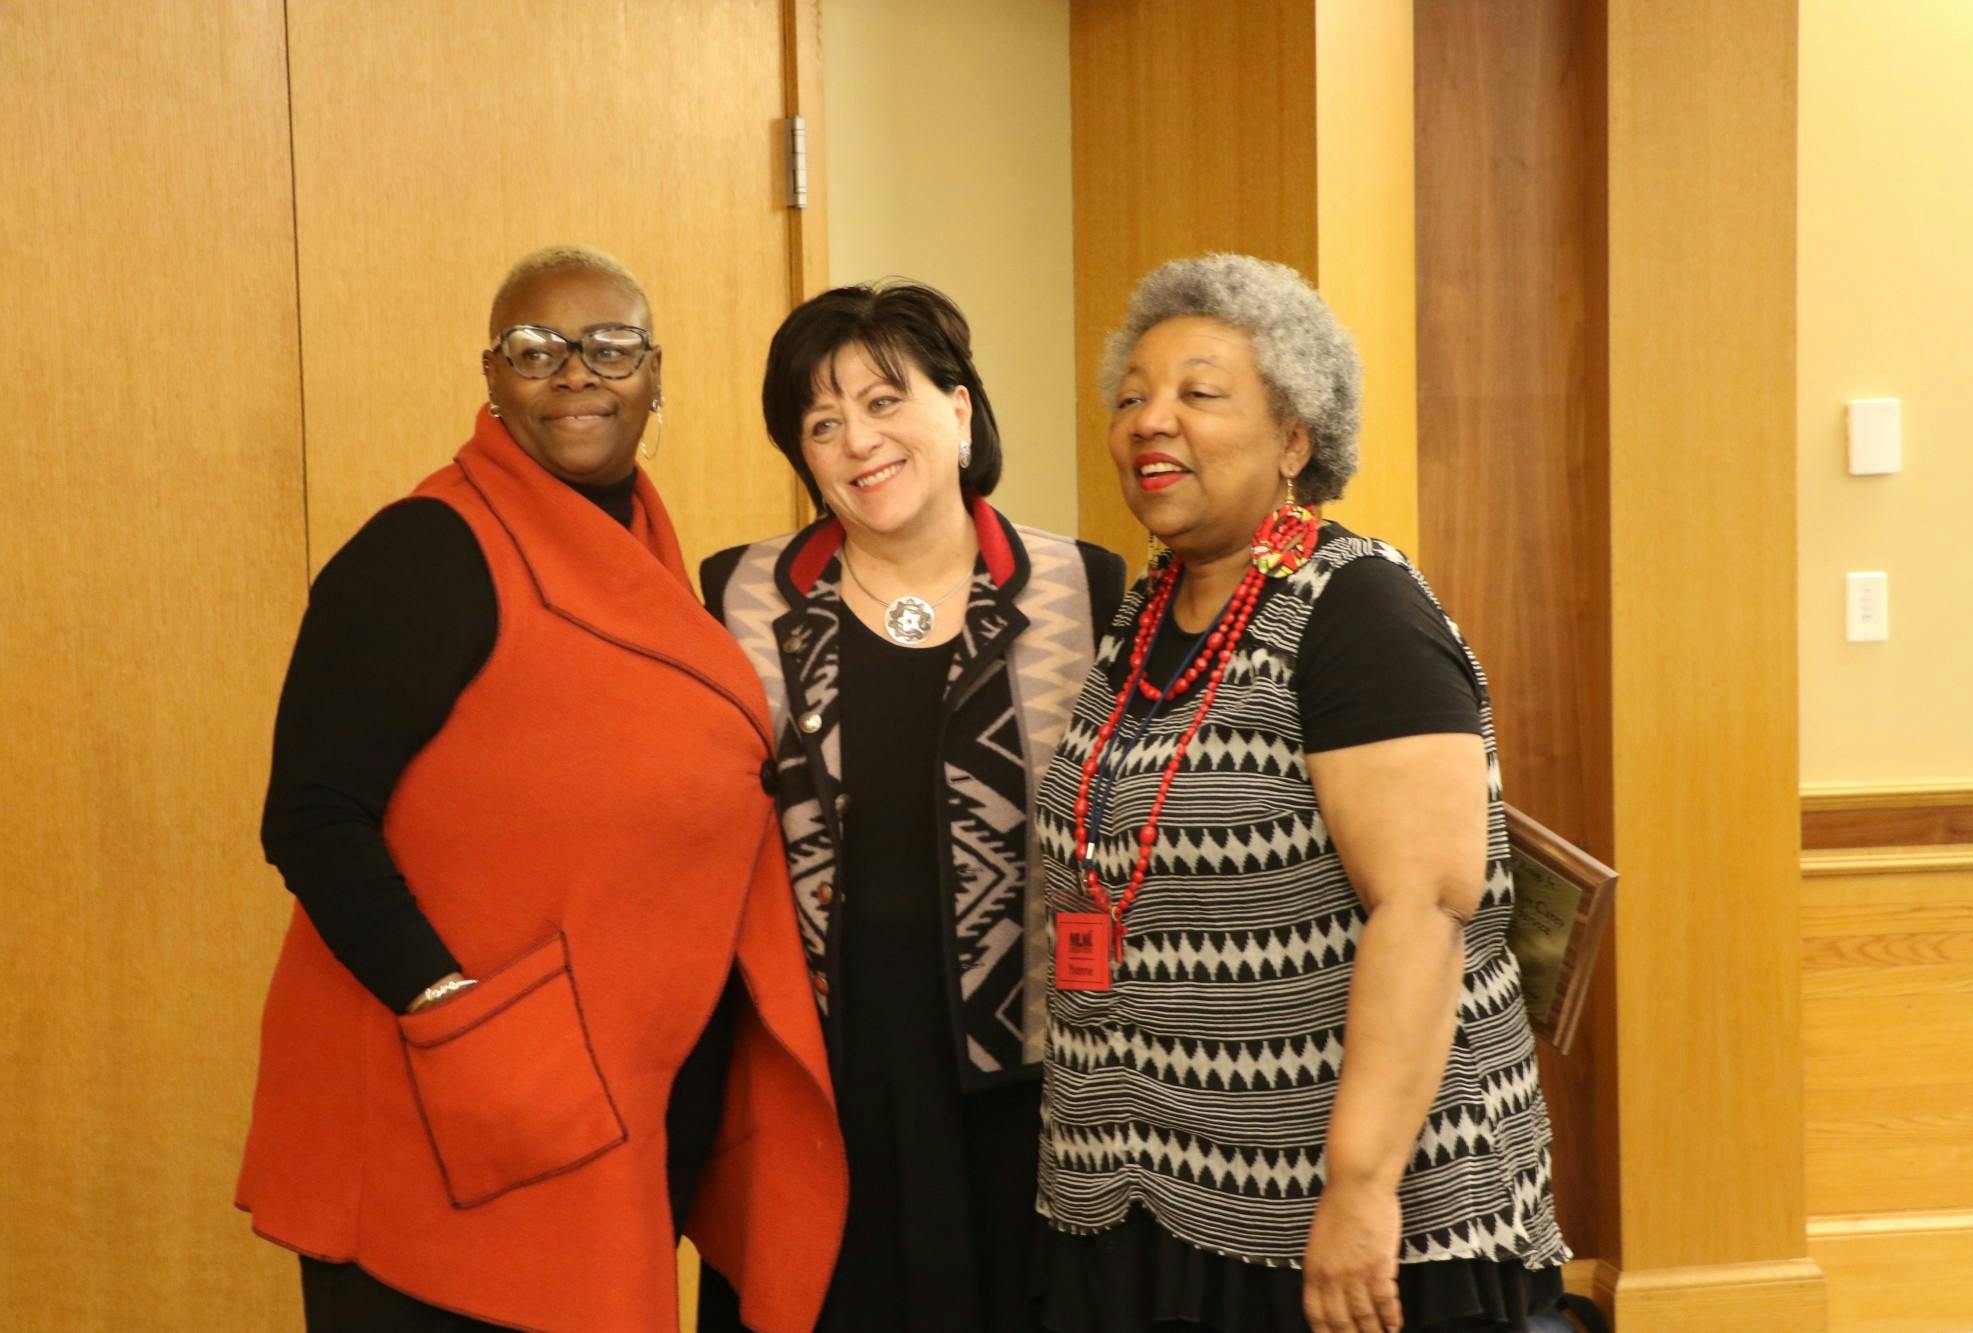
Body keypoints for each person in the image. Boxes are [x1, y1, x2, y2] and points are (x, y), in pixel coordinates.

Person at [237, 245, 845, 1332]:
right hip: (460, 1103)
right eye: (535, 349)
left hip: (607, 1109)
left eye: (610, 347)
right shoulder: (426, 550)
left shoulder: (647, 553)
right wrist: (447, 1006)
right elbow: (312, 814)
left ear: (655, 378)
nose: (575, 373)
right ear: (491, 378)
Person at [1033, 254, 1569, 1333]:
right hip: (1157, 1177)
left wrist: (1360, 1186)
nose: (1150, 420)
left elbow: (1422, 909)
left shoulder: (1356, 609)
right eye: (1132, 395)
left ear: (1294, 439)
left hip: (1338, 1211)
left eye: (1198, 392)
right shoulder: (1147, 612)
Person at [697, 281, 1126, 1333]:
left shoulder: (1083, 586)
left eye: (885, 401)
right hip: (811, 1074)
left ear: (959, 410)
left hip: (1019, 1082)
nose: (857, 441)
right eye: (821, 422)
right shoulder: (737, 596)